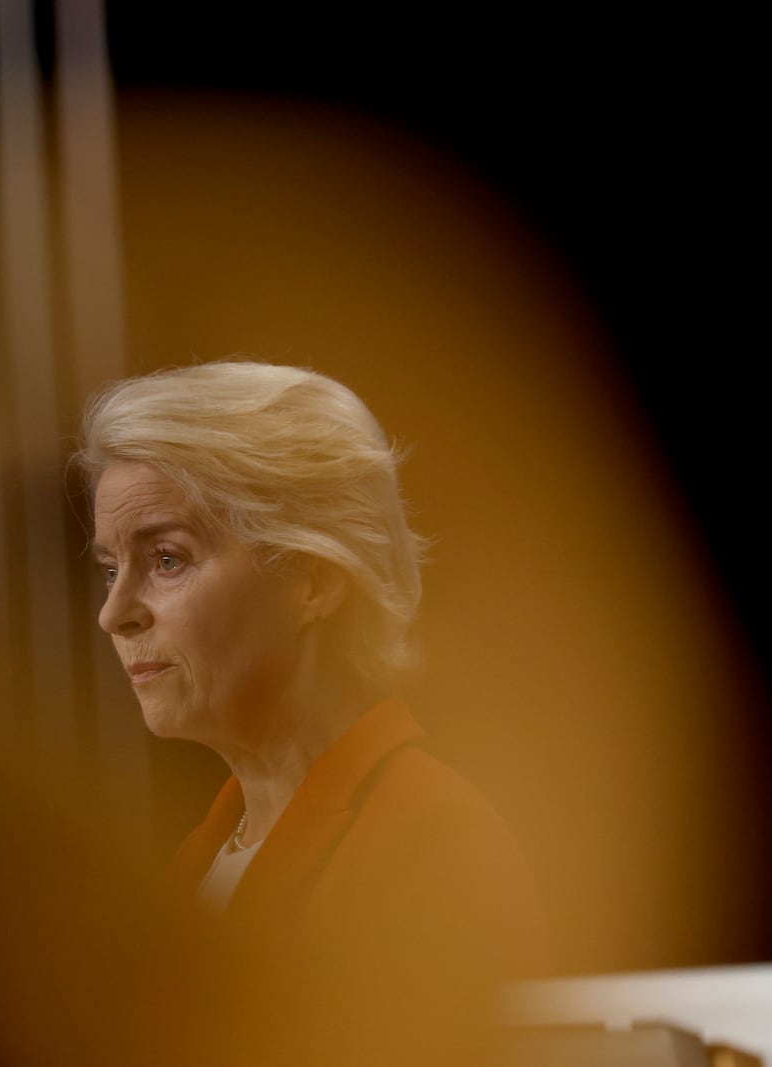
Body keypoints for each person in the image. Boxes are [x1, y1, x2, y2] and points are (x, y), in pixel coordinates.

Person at [76, 359, 546, 1065]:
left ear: (314, 578)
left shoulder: (432, 843)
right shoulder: (194, 864)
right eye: (111, 568)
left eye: (167, 558)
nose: (115, 612)